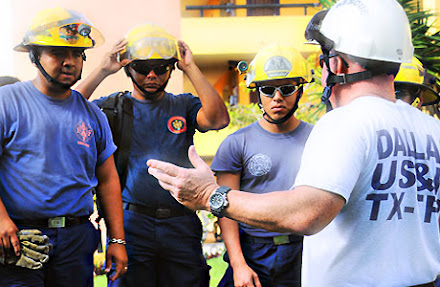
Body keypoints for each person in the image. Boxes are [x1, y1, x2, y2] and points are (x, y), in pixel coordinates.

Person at [147, 0, 440, 286]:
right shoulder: (431, 130)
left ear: (336, 63)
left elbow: (306, 213)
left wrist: (210, 195)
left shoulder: (345, 122)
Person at [76, 23, 230, 286]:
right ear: (128, 69)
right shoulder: (112, 107)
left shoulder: (183, 104)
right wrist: (102, 68)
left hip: (180, 221)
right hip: (132, 222)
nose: (151, 75)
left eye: (160, 68)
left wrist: (190, 66)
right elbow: (68, 113)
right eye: (142, 68)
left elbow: (217, 119)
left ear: (171, 69)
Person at [0, 7, 127, 286]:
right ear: (34, 56)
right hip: (20, 238)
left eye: (77, 54)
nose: (70, 62)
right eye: (58, 53)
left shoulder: (94, 115)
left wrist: (116, 239)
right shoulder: (6, 103)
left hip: (77, 239)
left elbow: (107, 180)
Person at [212, 43, 312, 287]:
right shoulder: (236, 143)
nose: (277, 97)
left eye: (286, 89)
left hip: (304, 252)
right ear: (257, 93)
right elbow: (225, 209)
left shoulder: (318, 139)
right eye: (268, 89)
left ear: (299, 91)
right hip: (253, 252)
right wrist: (238, 265)